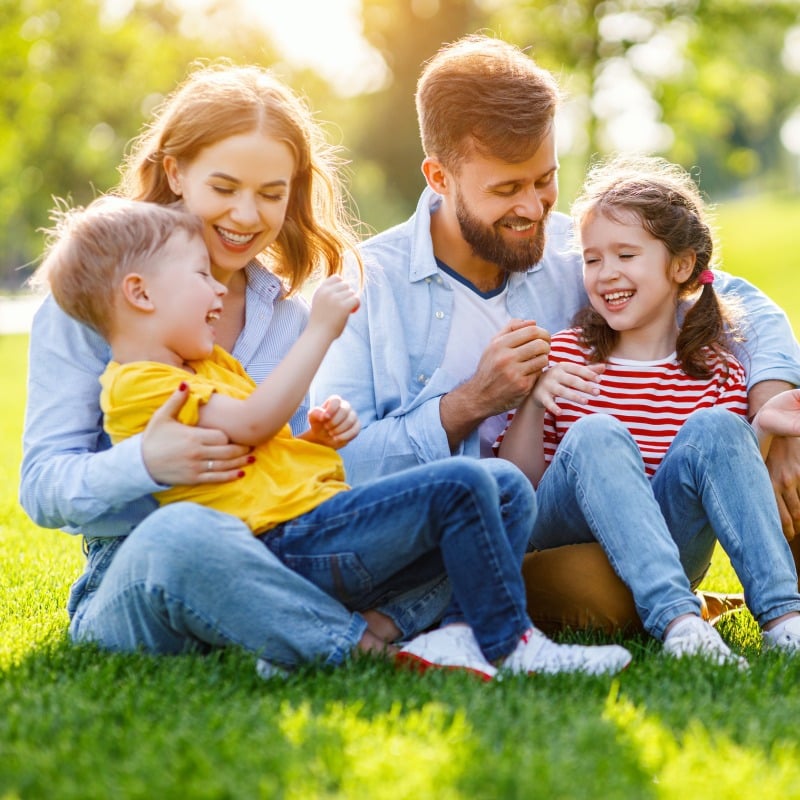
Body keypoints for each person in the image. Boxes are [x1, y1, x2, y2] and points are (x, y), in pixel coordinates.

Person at [311, 34, 800, 634]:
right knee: (595, 590)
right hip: (482, 538)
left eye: (544, 180)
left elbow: (736, 296)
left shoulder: (583, 251)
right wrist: (468, 404)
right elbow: (338, 470)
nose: (534, 208)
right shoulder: (366, 285)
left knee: (775, 449)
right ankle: (659, 609)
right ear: (439, 176)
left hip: (620, 513)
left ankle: (770, 612)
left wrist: (772, 403)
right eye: (506, 189)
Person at [36, 196, 634, 681]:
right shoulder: (140, 383)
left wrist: (316, 441)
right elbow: (251, 425)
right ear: (140, 294)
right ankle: (506, 644)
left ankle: (451, 634)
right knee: (462, 485)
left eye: (271, 193)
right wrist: (320, 332)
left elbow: (263, 451)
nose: (218, 288)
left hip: (311, 522)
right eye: (199, 276)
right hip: (281, 541)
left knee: (502, 486)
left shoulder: (212, 366)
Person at [20, 63, 422, 675]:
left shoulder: (285, 318)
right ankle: (359, 649)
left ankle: (320, 628)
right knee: (182, 533)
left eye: (270, 193)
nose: (246, 215)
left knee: (470, 493)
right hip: (143, 565)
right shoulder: (94, 308)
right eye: (225, 187)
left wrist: (312, 441)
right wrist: (146, 463)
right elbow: (43, 488)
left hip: (279, 551)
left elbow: (270, 462)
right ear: (175, 172)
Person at [497, 154, 800, 665]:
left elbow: (728, 490)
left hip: (670, 541)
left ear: (681, 265)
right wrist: (533, 399)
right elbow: (518, 486)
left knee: (720, 428)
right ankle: (680, 624)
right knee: (596, 435)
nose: (606, 273)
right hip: (566, 535)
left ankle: (784, 620)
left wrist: (762, 430)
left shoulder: (717, 369)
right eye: (593, 260)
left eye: (625, 255)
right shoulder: (567, 355)